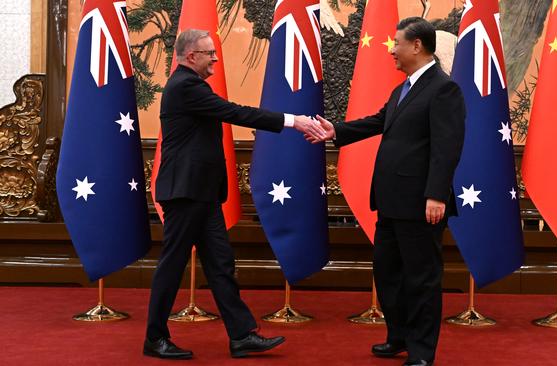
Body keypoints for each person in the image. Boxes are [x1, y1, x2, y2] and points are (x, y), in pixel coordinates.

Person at [144, 29, 325, 360]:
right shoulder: (186, 86)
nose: (215, 58)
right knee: (172, 266)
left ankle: (241, 336)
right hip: (185, 193)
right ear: (189, 57)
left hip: (201, 193)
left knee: (221, 264)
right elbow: (237, 112)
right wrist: (293, 121)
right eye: (209, 52)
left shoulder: (192, 85)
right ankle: (155, 338)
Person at [312, 18, 465, 366]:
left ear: (417, 46)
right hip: (391, 201)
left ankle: (422, 351)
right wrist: (334, 130)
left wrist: (437, 194)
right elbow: (378, 122)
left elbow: (447, 146)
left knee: (421, 279)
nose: (392, 50)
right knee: (388, 273)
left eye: (397, 42)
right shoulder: (403, 89)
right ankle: (398, 336)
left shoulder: (443, 89)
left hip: (421, 203)